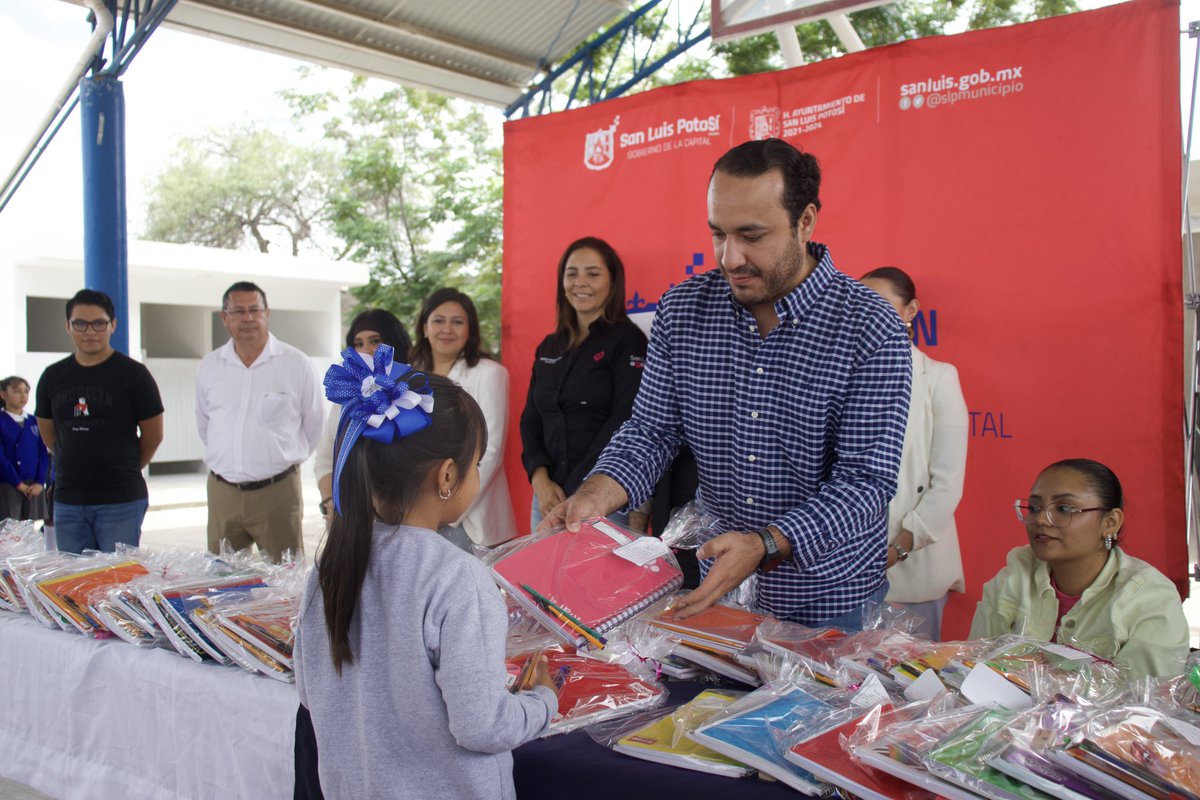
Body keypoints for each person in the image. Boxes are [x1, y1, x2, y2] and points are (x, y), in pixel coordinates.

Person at [543, 139, 913, 630]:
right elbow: (651, 432)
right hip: (716, 586)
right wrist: (596, 493)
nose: (730, 257)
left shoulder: (869, 326)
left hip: (829, 599)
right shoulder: (682, 311)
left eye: (752, 235)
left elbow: (865, 481)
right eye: (718, 233)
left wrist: (765, 543)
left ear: (805, 221)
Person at [295, 346, 558, 798]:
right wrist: (543, 700)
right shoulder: (457, 577)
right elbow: (482, 726)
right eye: (476, 465)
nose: (476, 475)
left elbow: (309, 692)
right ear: (447, 476)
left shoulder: (329, 566)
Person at [970, 458, 1189, 678]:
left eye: (1063, 508)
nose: (1041, 520)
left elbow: (1148, 699)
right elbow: (973, 666)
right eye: (1035, 508)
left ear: (1110, 523)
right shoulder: (1014, 575)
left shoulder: (1150, 596)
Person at [860, 267, 968, 640]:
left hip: (913, 564)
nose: (868, 315)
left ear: (910, 311)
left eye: (880, 305)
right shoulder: (842, 377)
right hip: (844, 569)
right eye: (860, 306)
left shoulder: (938, 377)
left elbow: (947, 482)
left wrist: (900, 547)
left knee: (913, 682)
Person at [519, 236, 648, 532]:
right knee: (541, 578)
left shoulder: (629, 341)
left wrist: (582, 489)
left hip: (601, 497)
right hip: (547, 500)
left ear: (612, 281)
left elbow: (624, 419)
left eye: (593, 273)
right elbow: (531, 419)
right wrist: (541, 482)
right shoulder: (550, 346)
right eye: (572, 273)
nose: (580, 282)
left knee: (595, 579)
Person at [195, 281, 323, 562]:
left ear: (267, 313)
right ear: (224, 318)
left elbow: (313, 426)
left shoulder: (295, 363)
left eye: (255, 309)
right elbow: (206, 425)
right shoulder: (210, 366)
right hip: (223, 492)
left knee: (285, 582)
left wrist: (277, 459)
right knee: (222, 582)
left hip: (277, 493)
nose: (248, 318)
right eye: (238, 311)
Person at [34, 289, 164, 553]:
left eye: (99, 323)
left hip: (120, 500)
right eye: (80, 323)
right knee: (74, 586)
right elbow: (49, 433)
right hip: (68, 501)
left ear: (112, 325)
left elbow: (153, 434)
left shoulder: (134, 375)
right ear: (68, 327)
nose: (90, 331)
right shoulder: (52, 376)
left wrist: (126, 466)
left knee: (117, 584)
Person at [411, 288, 518, 549]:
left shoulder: (490, 373)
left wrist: (444, 504)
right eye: (438, 320)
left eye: (457, 322)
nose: (447, 329)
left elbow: (490, 452)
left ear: (470, 330)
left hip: (472, 519)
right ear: (425, 328)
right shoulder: (411, 376)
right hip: (418, 515)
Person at [314, 308, 412, 526]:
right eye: (358, 344)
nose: (366, 349)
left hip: (403, 522)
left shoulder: (413, 397)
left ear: (394, 343)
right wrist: (330, 502)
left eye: (375, 340)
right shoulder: (345, 400)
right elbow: (324, 459)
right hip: (347, 520)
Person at [0, 376, 50, 522]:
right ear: (3, 394)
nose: (23, 395)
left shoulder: (34, 421)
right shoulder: (2, 420)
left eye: (26, 391)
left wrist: (40, 482)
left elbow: (43, 452)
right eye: (17, 391)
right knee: (10, 530)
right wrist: (18, 483)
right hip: (8, 484)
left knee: (30, 530)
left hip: (33, 485)